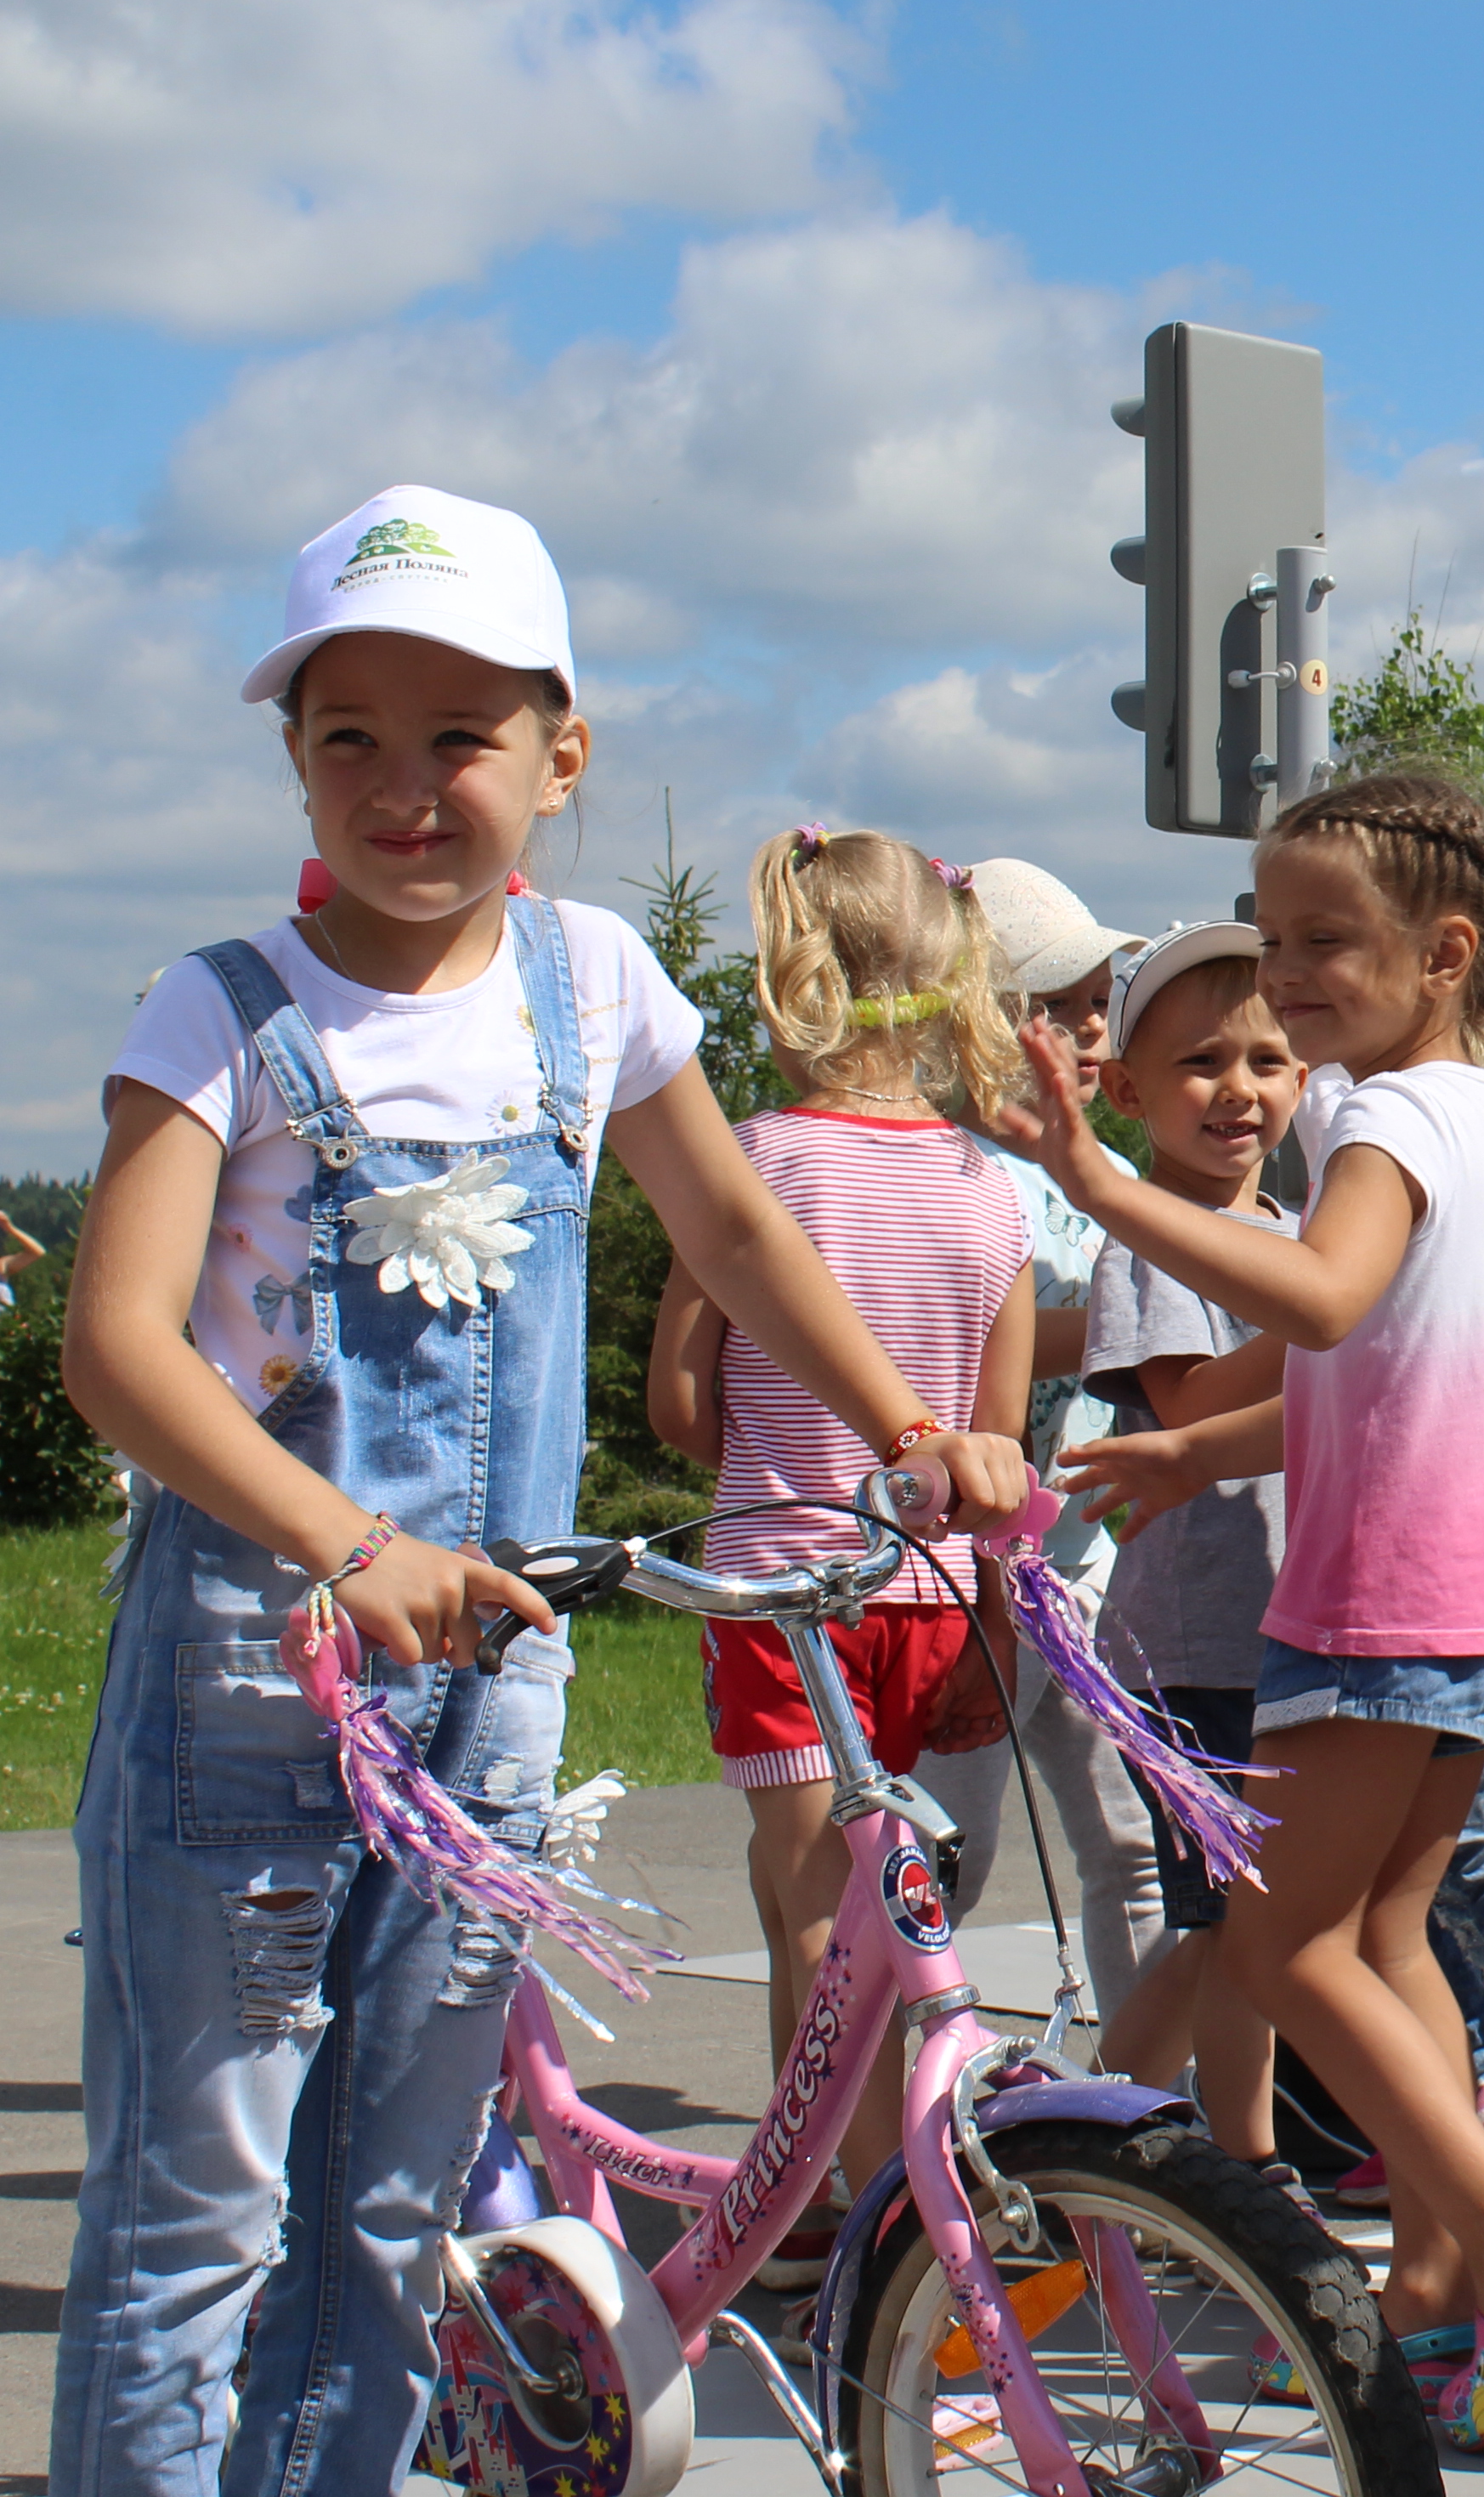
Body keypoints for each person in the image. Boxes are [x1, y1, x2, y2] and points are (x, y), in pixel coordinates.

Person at [54, 487, 1022, 2497]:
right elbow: (121, 1345)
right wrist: (349, 1538)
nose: (408, 789)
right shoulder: (222, 1008)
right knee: (199, 2218)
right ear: (294, 755)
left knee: (393, 2214)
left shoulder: (594, 985)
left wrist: (910, 1423)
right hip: (255, 1676)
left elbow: (742, 1235)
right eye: (353, 740)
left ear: (559, 758)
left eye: (462, 740)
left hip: (490, 1683)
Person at [997, 769, 1484, 2450]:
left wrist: (1099, 1181)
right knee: (1382, 1939)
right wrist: (1195, 1449)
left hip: (1384, 1611)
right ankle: (1432, 2288)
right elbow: (1363, 1356)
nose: (1285, 974)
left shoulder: (1384, 1122)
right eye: (1274, 938)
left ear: (1445, 951)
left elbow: (1327, 1290)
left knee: (1278, 1946)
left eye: (1322, 941)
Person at [645, 827, 1035, 2251]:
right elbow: (995, 1440)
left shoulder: (749, 1166)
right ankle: (910, 2188)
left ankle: (831, 2209)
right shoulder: (990, 1191)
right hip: (932, 1591)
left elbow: (679, 1398)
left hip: (781, 1590)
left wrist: (769, 1446)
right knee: (903, 1907)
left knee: (804, 1904)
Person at [1060, 920, 1294, 2166]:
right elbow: (1197, 1408)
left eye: (1268, 1057)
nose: (1240, 1090)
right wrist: (1351, 1346)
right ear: (1127, 1090)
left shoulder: (1317, 1235)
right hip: (1199, 1643)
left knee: (1254, 1925)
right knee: (1219, 1926)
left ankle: (1247, 2160)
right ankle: (1076, 2147)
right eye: (1203, 1061)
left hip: (1292, 1638)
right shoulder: (1145, 1239)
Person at [922, 855, 1167, 2007]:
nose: (1091, 1030)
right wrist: (1139, 1327)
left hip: (1083, 1567)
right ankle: (873, 2111)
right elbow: (975, 1348)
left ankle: (1138, 2122)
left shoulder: (1098, 1168)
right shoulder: (947, 1173)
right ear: (989, 1019)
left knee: (1135, 1848)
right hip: (968, 1580)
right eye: (1062, 1008)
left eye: (1095, 1006)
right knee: (940, 1864)